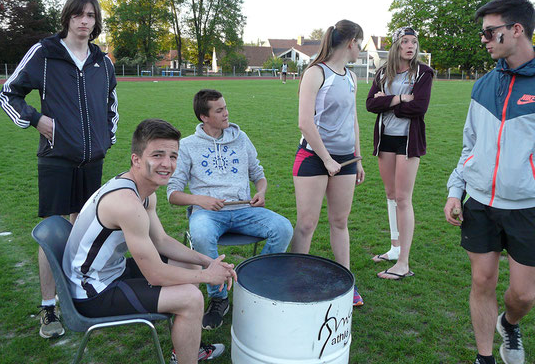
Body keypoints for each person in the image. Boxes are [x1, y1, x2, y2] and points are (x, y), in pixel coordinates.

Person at [444, 0, 535, 364]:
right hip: (480, 202)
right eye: (483, 34)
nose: (485, 40)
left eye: (490, 32)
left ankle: (510, 323)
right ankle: (485, 357)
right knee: (482, 281)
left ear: (516, 30)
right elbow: (468, 146)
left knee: (522, 296)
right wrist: (455, 190)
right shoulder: (483, 85)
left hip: (528, 207)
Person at [0, 0, 118, 338]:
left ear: (96, 22)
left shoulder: (102, 62)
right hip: (56, 158)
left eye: (91, 16)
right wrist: (36, 120)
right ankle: (49, 309)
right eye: (78, 15)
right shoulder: (45, 54)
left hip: (92, 159)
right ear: (67, 18)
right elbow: (8, 93)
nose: (85, 21)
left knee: (83, 230)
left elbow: (112, 104)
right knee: (53, 232)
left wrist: (104, 140)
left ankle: (78, 296)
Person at [63, 119, 234, 363]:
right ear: (136, 159)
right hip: (91, 290)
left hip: (109, 272)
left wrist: (208, 262)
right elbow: (155, 275)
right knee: (192, 298)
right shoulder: (127, 204)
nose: (167, 164)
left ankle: (185, 346)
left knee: (191, 266)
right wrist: (209, 277)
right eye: (157, 155)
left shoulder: (144, 192)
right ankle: (188, 357)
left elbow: (162, 241)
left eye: (173, 156)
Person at [167, 89, 293, 330]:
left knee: (283, 228)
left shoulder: (240, 137)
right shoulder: (187, 146)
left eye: (225, 107)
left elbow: (258, 174)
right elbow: (172, 194)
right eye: (219, 110)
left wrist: (261, 192)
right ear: (204, 117)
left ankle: (255, 285)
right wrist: (199, 200)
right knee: (201, 234)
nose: (226, 113)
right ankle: (219, 298)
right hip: (208, 213)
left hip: (245, 210)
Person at [290, 19, 366, 306]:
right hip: (313, 158)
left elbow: (353, 120)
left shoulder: (351, 77)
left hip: (345, 161)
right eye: (360, 43)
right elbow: (304, 123)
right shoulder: (315, 73)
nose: (361, 49)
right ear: (350, 42)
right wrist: (327, 159)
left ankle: (347, 281)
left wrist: (356, 158)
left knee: (339, 221)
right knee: (307, 223)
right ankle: (294, 281)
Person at [366, 27, 434, 280]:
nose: (410, 46)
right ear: (396, 45)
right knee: (391, 194)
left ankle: (403, 263)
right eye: (405, 41)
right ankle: (395, 248)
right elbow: (371, 103)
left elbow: (419, 106)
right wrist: (398, 99)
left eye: (414, 42)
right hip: (386, 141)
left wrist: (389, 101)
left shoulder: (423, 73)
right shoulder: (384, 72)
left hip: (408, 142)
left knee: (404, 198)